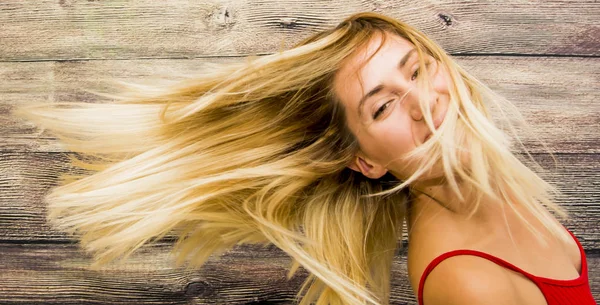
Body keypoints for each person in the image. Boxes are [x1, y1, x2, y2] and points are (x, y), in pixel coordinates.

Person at [12, 12, 596, 305]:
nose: (424, 101)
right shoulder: (463, 278)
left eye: (416, 70)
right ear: (364, 160)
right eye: (383, 106)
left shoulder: (496, 184)